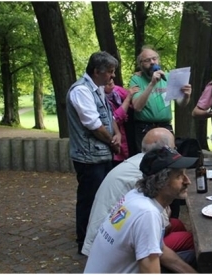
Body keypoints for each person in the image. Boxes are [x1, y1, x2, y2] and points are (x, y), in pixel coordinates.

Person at [84, 146, 198, 273]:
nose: (188, 181)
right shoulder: (147, 213)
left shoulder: (136, 194)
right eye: (179, 176)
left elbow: (160, 249)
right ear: (161, 181)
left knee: (194, 259)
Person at [66, 51, 121, 255]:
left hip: (100, 155)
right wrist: (112, 142)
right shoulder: (81, 90)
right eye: (110, 72)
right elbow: (94, 125)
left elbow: (108, 116)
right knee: (89, 200)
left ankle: (98, 239)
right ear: (97, 71)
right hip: (89, 158)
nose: (112, 77)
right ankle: (84, 243)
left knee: (103, 199)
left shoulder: (96, 89)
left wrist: (117, 134)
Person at [128, 45, 192, 155]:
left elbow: (181, 104)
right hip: (144, 129)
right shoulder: (136, 79)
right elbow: (137, 107)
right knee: (146, 162)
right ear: (141, 64)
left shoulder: (169, 77)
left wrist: (186, 96)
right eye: (147, 60)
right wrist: (152, 84)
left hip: (165, 127)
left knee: (168, 159)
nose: (152, 62)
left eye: (154, 58)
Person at [103, 78, 138, 166]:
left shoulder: (117, 90)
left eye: (112, 81)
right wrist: (128, 98)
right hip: (115, 137)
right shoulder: (101, 99)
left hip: (129, 132)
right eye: (108, 83)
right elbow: (115, 118)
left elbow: (134, 102)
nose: (111, 83)